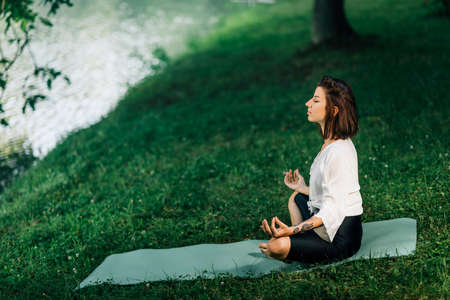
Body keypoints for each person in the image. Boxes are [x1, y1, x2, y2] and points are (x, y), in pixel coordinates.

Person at [258, 75, 363, 264]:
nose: (308, 104)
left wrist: (293, 231)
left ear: (333, 111)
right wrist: (302, 186)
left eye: (315, 100)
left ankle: (291, 245)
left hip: (339, 237)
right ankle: (297, 243)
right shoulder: (330, 143)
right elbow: (331, 191)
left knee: (277, 246)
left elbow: (333, 209)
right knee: (296, 197)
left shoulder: (339, 152)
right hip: (326, 219)